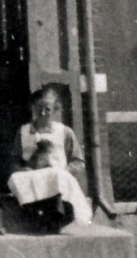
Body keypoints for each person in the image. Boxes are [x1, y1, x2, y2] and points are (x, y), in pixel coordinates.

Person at [9, 83, 94, 230]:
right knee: (16, 178)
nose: (42, 113)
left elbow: (78, 161)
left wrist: (65, 171)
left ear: (55, 109)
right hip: (33, 175)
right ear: (32, 107)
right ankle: (33, 214)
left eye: (47, 109)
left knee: (57, 177)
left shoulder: (64, 132)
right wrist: (21, 169)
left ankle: (58, 217)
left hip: (56, 176)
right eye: (38, 108)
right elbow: (15, 159)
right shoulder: (23, 132)